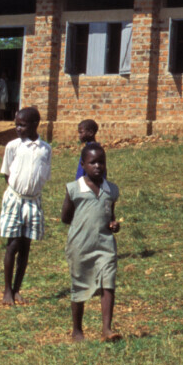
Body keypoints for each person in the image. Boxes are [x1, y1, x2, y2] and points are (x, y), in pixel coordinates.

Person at [60, 141, 120, 342]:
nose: (98, 166)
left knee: (108, 284)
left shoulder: (111, 190)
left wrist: (113, 225)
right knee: (79, 285)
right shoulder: (73, 189)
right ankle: (77, 330)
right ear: (82, 164)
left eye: (101, 162)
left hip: (105, 244)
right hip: (80, 246)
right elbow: (66, 218)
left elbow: (110, 214)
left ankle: (107, 329)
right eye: (92, 162)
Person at [0, 106, 52, 306]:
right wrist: (18, 193)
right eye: (16, 125)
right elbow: (7, 174)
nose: (18, 129)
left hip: (34, 201)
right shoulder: (12, 146)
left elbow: (43, 175)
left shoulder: (45, 149)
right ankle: (6, 290)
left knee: (26, 245)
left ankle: (16, 289)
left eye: (22, 125)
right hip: (15, 199)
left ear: (34, 125)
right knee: (13, 244)